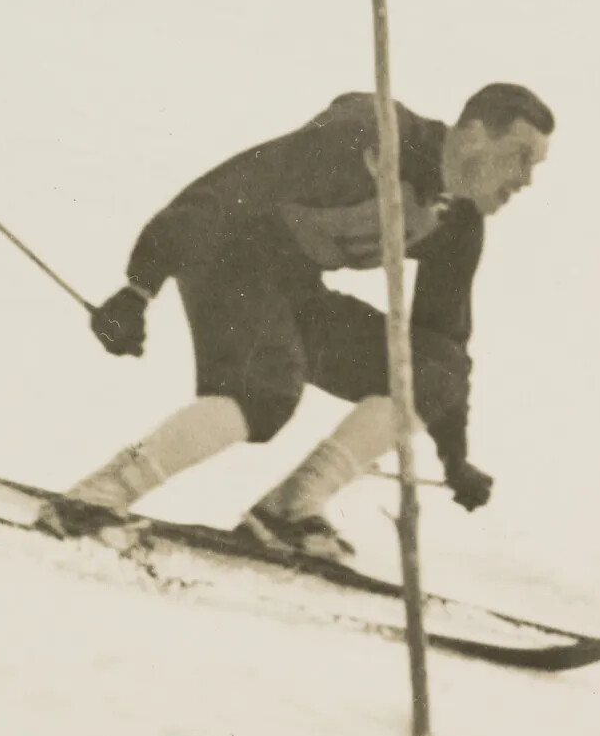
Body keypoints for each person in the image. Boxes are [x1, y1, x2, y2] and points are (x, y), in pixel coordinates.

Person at [37, 83, 555, 561]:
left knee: (434, 369)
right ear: (474, 135)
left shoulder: (458, 223)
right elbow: (224, 190)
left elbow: (443, 341)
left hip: (293, 288)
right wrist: (139, 287)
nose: (525, 180)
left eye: (534, 167)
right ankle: (95, 499)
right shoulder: (373, 138)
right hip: (226, 254)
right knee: (266, 388)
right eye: (520, 157)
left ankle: (288, 509)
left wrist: (454, 457)